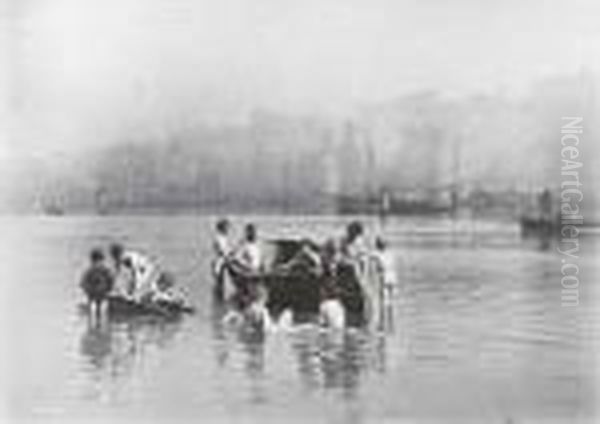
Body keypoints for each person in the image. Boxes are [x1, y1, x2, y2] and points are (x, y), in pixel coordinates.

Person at [371, 237, 398, 331]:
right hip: (393, 278)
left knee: (383, 302)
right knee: (391, 303)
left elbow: (369, 256)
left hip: (385, 278)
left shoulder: (377, 255)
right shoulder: (390, 254)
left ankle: (382, 324)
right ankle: (391, 324)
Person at [80, 248, 114, 318]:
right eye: (96, 261)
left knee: (103, 312)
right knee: (92, 311)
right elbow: (83, 283)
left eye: (100, 261)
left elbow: (111, 281)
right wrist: (89, 291)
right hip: (92, 296)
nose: (98, 264)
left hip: (103, 296)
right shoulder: (89, 271)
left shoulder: (105, 271)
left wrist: (108, 290)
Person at [212, 218, 233, 300]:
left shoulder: (223, 238)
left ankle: (219, 299)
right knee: (219, 284)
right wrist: (230, 254)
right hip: (220, 263)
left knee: (221, 284)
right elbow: (223, 252)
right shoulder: (219, 238)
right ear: (222, 228)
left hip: (223, 262)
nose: (228, 230)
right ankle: (219, 298)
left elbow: (227, 250)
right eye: (227, 228)